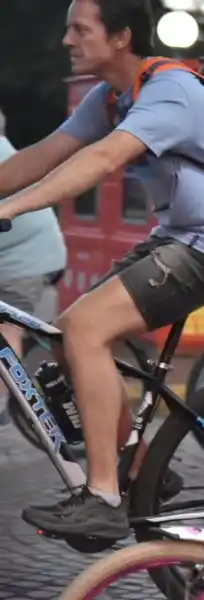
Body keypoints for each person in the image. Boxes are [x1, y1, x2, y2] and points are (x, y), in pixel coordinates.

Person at [12, 0, 204, 541]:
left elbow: (102, 159)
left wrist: (11, 208)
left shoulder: (170, 89)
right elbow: (46, 153)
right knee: (65, 335)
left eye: (80, 29)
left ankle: (104, 497)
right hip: (180, 236)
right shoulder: (110, 97)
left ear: (121, 37)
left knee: (87, 330)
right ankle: (146, 467)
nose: (67, 41)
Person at [0, 109, 68, 425]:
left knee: (5, 329)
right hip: (33, 254)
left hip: (23, 262)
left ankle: (1, 403)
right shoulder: (7, 150)